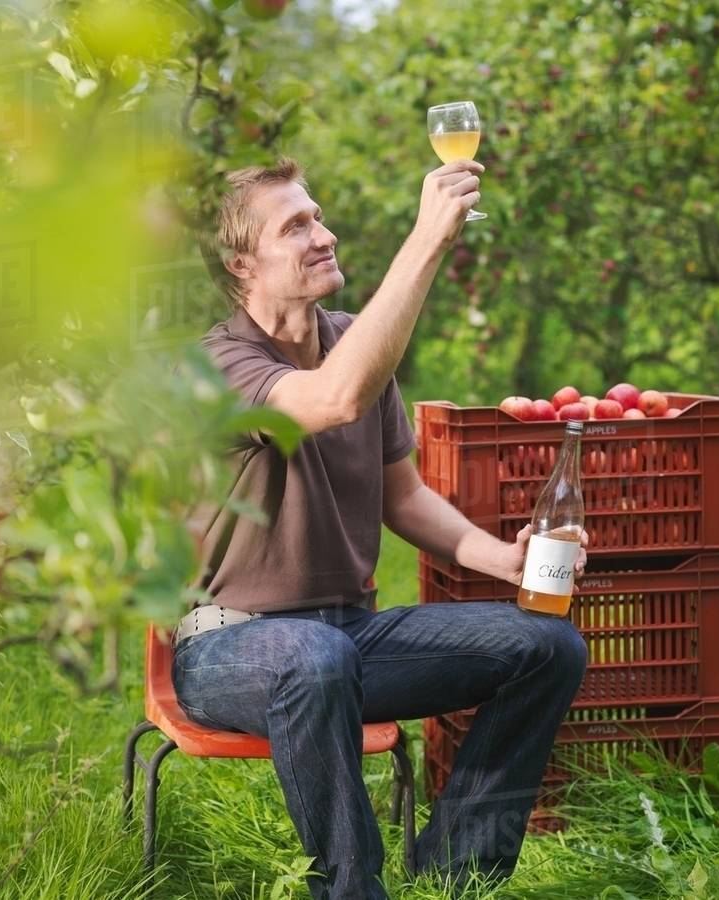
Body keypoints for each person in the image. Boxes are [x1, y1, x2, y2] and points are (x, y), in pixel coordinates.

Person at [171, 157, 590, 899]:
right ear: (242, 264)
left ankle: (458, 874)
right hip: (228, 647)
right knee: (314, 657)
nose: (324, 235)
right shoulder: (213, 369)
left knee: (547, 645)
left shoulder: (356, 341)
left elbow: (404, 498)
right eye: (295, 226)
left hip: (348, 637)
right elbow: (333, 399)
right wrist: (428, 237)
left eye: (318, 216)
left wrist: (509, 560)